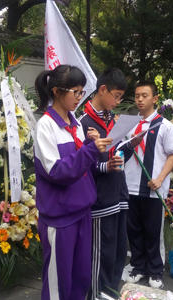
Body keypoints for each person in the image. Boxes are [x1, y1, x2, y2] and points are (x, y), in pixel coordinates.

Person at [33, 64, 113, 300]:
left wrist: (91, 145)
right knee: (59, 281)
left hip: (81, 211)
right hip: (60, 218)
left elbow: (80, 165)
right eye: (75, 92)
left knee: (80, 277)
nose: (80, 97)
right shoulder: (45, 126)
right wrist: (90, 151)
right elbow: (57, 171)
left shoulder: (76, 123)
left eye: (81, 92)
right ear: (57, 91)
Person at [78, 68, 142, 299]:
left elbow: (115, 154)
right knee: (101, 254)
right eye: (116, 95)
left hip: (118, 194)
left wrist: (132, 144)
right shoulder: (83, 123)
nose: (118, 101)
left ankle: (111, 292)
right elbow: (80, 166)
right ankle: (96, 295)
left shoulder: (111, 120)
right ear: (102, 89)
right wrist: (107, 166)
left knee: (116, 253)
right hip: (100, 200)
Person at [124, 80, 173, 288]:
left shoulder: (164, 126)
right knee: (134, 229)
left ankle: (156, 270)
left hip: (154, 188)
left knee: (153, 231)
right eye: (137, 95)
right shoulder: (129, 125)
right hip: (130, 186)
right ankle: (138, 267)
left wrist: (160, 178)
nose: (140, 99)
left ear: (154, 99)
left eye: (144, 95)